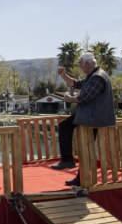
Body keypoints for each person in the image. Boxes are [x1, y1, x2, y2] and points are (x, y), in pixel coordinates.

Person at [50, 53, 116, 186]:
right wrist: (63, 75)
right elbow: (75, 83)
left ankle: (68, 161)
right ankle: (78, 176)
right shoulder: (93, 76)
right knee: (84, 146)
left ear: (88, 63)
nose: (80, 67)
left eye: (80, 64)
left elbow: (85, 97)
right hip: (91, 116)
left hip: (94, 118)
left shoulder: (97, 78)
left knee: (71, 134)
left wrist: (70, 98)